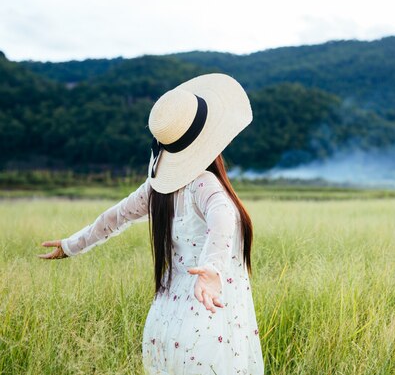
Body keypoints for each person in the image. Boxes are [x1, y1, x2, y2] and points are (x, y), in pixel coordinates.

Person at [38, 73, 264, 374]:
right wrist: (212, 267)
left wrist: (71, 245)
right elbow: (223, 214)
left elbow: (113, 217)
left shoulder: (157, 189)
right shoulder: (203, 183)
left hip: (166, 318)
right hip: (205, 318)